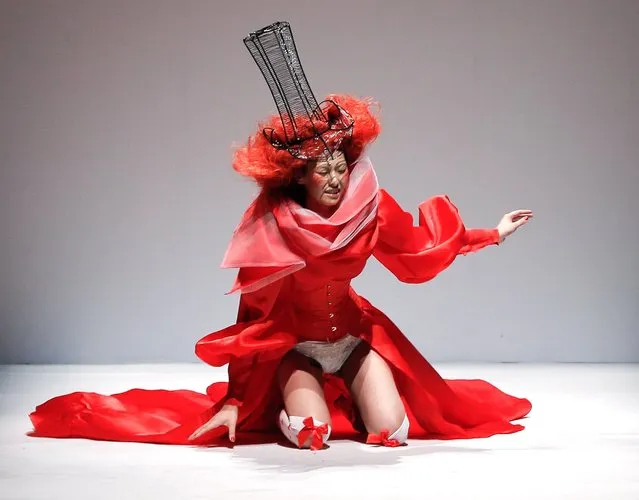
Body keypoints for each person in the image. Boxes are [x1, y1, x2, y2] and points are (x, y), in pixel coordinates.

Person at [28, 22, 533, 451]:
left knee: (393, 432)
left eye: (340, 167)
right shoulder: (272, 230)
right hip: (295, 346)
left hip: (355, 337)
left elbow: (420, 247)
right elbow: (252, 319)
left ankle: (353, 393)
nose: (336, 180)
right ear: (299, 178)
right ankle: (298, 403)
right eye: (322, 172)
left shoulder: (368, 210)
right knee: (311, 434)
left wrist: (491, 234)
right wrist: (234, 400)